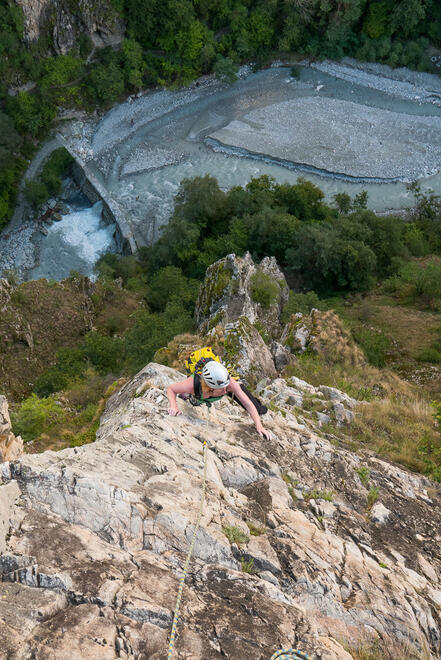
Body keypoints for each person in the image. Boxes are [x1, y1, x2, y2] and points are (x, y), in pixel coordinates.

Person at [166, 361, 271, 440]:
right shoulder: (192, 385)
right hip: (198, 395)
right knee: (194, 401)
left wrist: (259, 425)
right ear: (210, 388)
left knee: (252, 403)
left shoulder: (229, 384)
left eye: (226, 388)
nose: (225, 391)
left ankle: (260, 408)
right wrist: (173, 406)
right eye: (222, 389)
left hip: (220, 387)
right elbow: (171, 389)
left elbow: (248, 404)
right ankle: (187, 396)